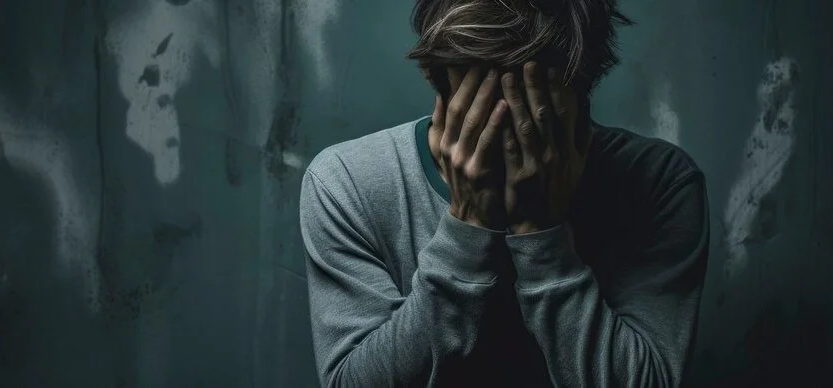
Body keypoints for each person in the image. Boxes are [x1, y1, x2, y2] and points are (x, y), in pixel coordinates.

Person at [299, 0, 709, 386]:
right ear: (433, 75)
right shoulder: (348, 181)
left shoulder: (659, 182)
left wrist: (541, 232)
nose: (511, 137)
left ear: (582, 88)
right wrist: (467, 226)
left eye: (532, 111)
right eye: (483, 106)